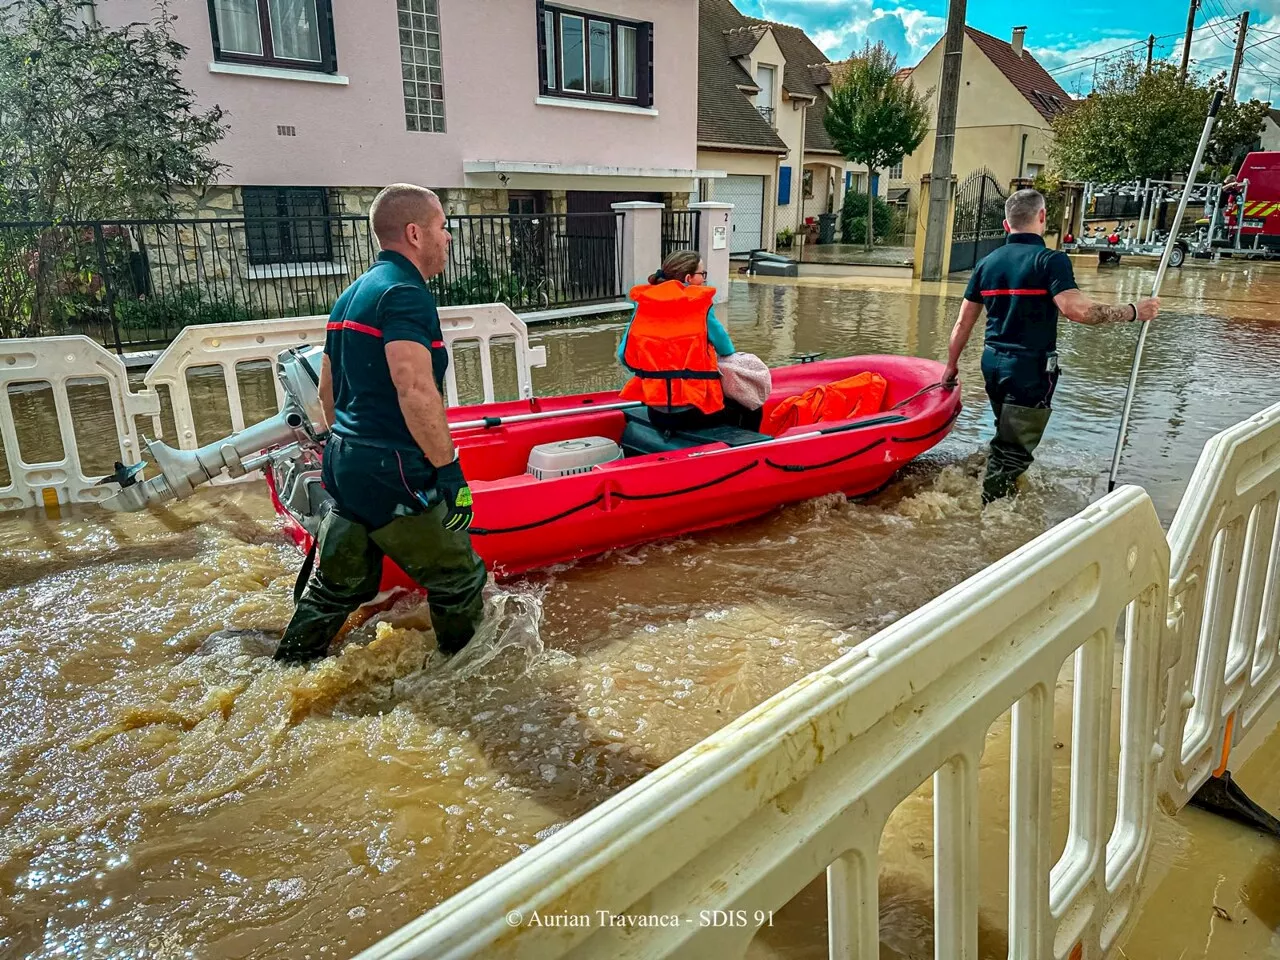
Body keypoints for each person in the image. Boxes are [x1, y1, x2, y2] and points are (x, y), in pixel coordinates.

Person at [273, 184, 487, 664]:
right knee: (458, 579)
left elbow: (328, 388)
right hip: (394, 467)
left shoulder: (352, 294)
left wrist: (341, 446)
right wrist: (448, 471)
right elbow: (412, 387)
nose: (447, 237)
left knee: (337, 587)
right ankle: (467, 685)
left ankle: (288, 667)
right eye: (441, 227)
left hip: (346, 461)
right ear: (414, 233)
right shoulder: (406, 294)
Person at [941, 188, 1161, 505]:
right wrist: (1132, 312)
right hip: (1029, 370)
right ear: (1042, 217)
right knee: (1014, 453)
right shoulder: (1050, 261)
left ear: (1006, 225)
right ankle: (988, 515)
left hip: (992, 365)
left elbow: (963, 323)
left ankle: (993, 482)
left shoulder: (986, 264)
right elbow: (1076, 310)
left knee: (1006, 437)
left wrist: (951, 366)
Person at [616, 249, 760, 431]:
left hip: (656, 413)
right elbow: (726, 349)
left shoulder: (643, 305)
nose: (704, 279)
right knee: (753, 405)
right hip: (694, 412)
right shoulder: (701, 306)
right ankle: (749, 453)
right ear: (688, 278)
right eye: (702, 274)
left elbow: (623, 355)